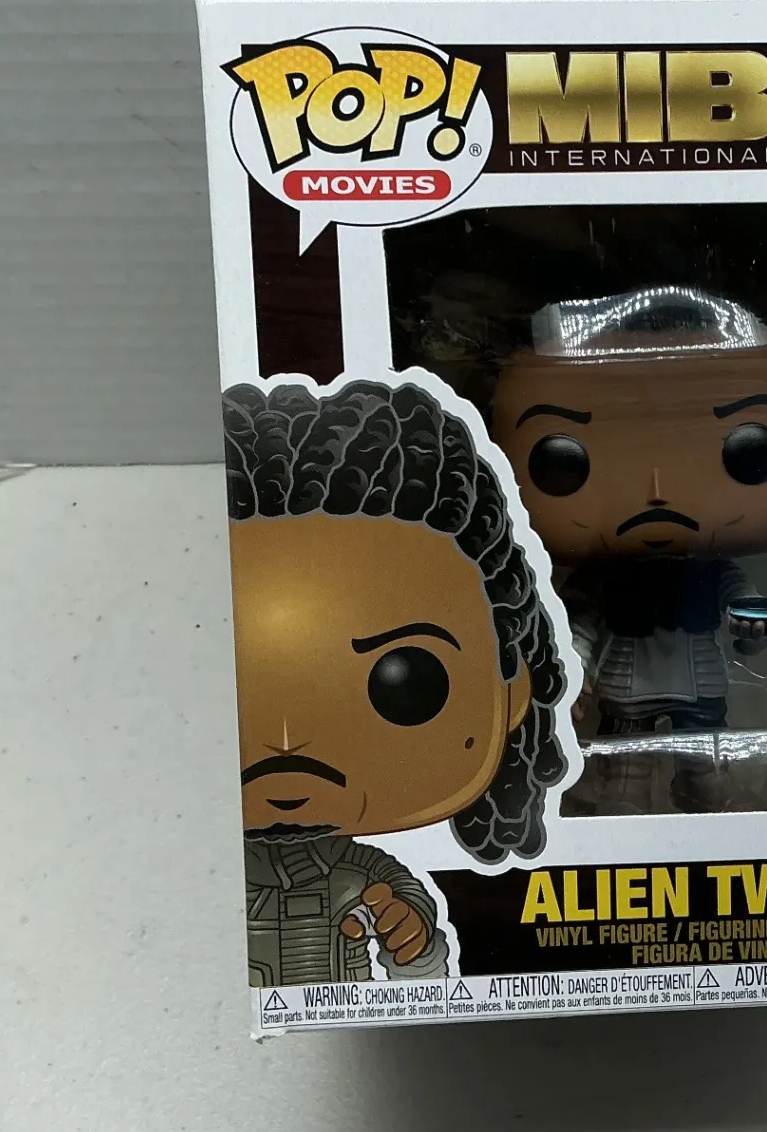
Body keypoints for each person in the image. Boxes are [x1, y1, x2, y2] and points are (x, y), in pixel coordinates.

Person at [224, 379, 569, 985]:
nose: (287, 747)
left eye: (404, 682)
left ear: (512, 689)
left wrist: (413, 944)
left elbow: (426, 983)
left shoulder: (370, 878)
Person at [489, 287, 767, 809]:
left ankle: (707, 808)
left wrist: (755, 631)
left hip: (699, 683)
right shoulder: (607, 575)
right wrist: (571, 676)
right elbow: (582, 628)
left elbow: (743, 617)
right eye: (564, 459)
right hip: (626, 687)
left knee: (708, 771)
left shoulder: (713, 571)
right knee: (625, 780)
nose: (657, 491)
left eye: (747, 450)